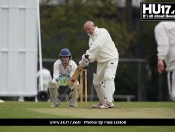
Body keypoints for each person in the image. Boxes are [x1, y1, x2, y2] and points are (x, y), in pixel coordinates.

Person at [79, 21, 119, 109]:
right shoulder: (90, 40)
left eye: (88, 29)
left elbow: (97, 45)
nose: (87, 31)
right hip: (101, 61)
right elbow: (94, 54)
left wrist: (87, 54)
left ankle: (108, 101)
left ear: (93, 26)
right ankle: (102, 102)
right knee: (96, 82)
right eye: (86, 30)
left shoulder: (103, 32)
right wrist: (87, 59)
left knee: (108, 77)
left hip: (111, 58)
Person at [154, 21, 175, 101]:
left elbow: (164, 44)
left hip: (173, 63)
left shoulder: (161, 26)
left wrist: (160, 59)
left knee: (173, 94)